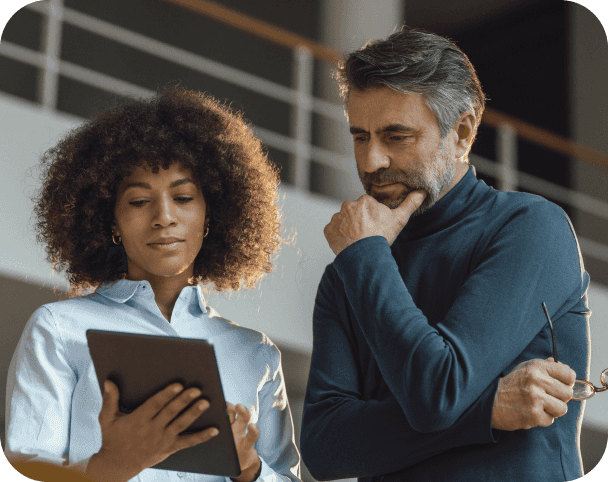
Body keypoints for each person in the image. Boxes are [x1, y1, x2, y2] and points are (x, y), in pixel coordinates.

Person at [300, 27, 589, 482]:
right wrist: (487, 410)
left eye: (396, 137)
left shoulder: (531, 228)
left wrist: (365, 256)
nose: (372, 160)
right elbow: (324, 447)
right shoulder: (352, 269)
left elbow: (437, 394)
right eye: (360, 136)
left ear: (463, 131)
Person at [5, 86, 301, 482]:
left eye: (183, 197)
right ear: (111, 222)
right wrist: (109, 467)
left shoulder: (256, 354)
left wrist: (249, 469)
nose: (164, 217)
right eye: (139, 201)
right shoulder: (59, 329)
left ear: (211, 213)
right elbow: (25, 469)